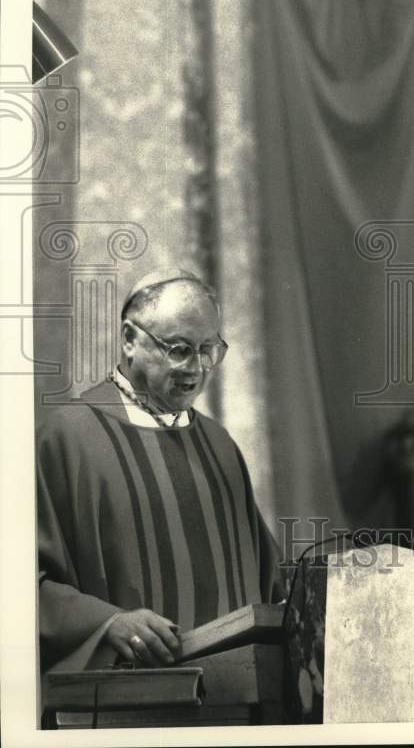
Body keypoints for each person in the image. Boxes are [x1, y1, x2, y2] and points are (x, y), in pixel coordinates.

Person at [37, 268, 283, 675]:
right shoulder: (66, 439)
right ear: (130, 340)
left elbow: (268, 580)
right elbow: (20, 583)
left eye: (209, 349)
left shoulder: (218, 444)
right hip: (122, 707)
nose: (196, 367)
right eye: (178, 349)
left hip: (235, 702)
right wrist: (107, 623)